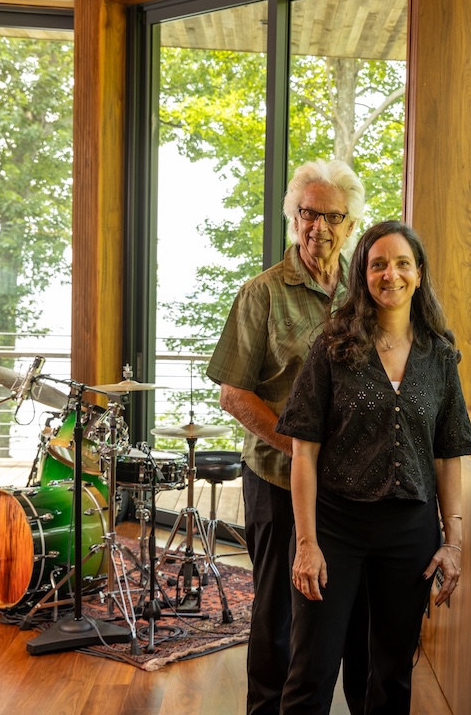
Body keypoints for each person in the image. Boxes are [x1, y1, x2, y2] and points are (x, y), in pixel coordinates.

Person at [276, 220, 471, 714]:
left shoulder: (440, 355)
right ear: (363, 275)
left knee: (391, 676)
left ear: (419, 272)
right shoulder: (331, 348)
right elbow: (304, 453)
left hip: (409, 532)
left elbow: (448, 454)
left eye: (402, 263)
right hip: (335, 527)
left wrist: (452, 543)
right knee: (312, 672)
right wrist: (306, 545)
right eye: (378, 264)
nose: (391, 274)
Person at [206, 160, 369, 715]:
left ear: (349, 226)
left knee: (341, 613)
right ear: (291, 217)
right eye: (307, 213)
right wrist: (299, 449)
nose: (318, 227)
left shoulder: (366, 292)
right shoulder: (263, 294)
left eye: (332, 216)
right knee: (277, 613)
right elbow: (234, 394)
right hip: (277, 479)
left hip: (351, 489)